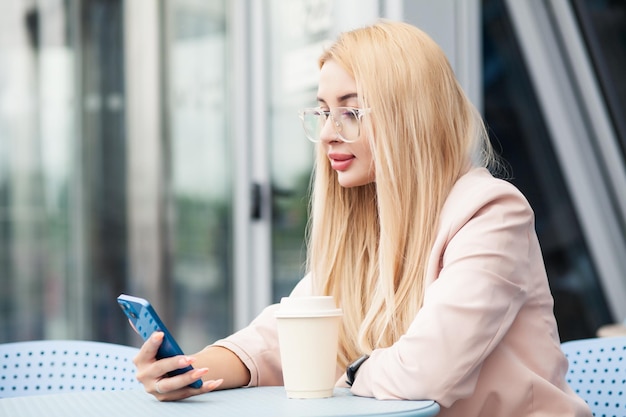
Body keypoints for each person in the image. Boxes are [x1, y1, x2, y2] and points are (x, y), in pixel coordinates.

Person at [133, 20, 592, 416]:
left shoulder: (491, 213)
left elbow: (425, 370)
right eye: (323, 112)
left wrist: (337, 379)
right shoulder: (365, 224)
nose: (328, 133)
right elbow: (284, 334)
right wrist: (190, 370)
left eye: (350, 111)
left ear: (408, 116)